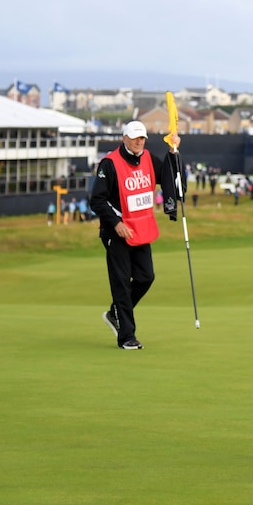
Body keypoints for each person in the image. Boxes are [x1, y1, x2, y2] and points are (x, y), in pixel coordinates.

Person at [89, 121, 182, 350]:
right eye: (135, 138)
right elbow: (97, 200)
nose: (139, 142)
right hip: (116, 232)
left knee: (145, 277)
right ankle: (127, 337)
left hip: (140, 229)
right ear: (124, 138)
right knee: (121, 282)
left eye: (142, 138)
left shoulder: (148, 158)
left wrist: (173, 152)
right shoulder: (109, 164)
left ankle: (115, 314)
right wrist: (116, 223)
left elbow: (170, 177)